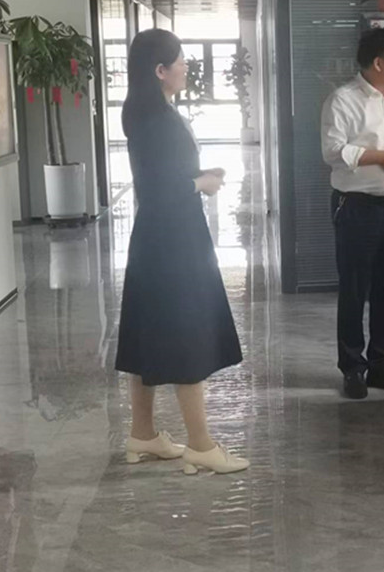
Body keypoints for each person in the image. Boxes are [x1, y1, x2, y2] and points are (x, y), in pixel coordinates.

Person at [115, 28, 249, 475]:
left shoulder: (145, 110)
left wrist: (199, 175)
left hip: (157, 236)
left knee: (147, 334)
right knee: (185, 331)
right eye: (180, 61)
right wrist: (200, 183)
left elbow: (162, 174)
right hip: (173, 240)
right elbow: (160, 187)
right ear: (160, 70)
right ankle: (200, 444)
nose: (186, 66)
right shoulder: (156, 118)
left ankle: (143, 434)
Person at [320, 27, 384, 399]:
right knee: (354, 290)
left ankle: (382, 365)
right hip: (356, 207)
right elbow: (334, 151)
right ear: (378, 63)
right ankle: (353, 367)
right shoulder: (342, 100)